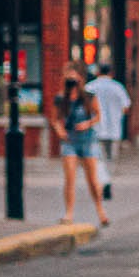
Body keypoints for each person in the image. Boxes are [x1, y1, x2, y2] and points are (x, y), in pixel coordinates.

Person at [49, 70, 108, 228]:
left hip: (88, 140)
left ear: (80, 82)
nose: (72, 85)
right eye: (69, 81)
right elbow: (54, 119)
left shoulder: (88, 97)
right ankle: (69, 214)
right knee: (70, 178)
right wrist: (60, 132)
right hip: (70, 141)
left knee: (92, 179)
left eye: (74, 81)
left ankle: (100, 211)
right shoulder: (61, 99)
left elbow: (98, 116)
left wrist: (87, 124)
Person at [85, 63, 132, 202]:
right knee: (111, 159)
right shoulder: (118, 87)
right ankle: (108, 180)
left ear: (98, 72)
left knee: (99, 158)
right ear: (110, 72)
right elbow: (126, 106)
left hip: (96, 128)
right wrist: (118, 115)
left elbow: (84, 106)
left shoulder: (90, 87)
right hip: (114, 128)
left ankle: (104, 180)